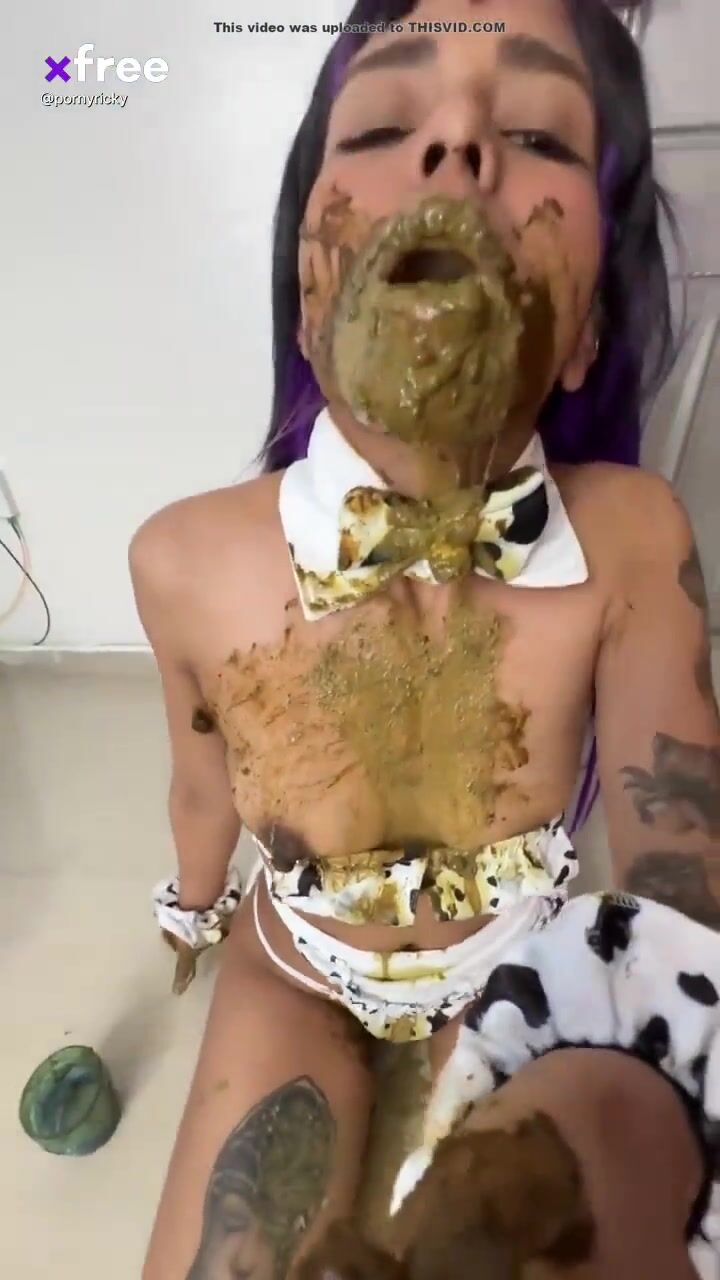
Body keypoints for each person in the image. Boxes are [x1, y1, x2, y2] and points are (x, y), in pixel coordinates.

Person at [130, 1, 720, 1276]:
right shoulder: (181, 556)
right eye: (385, 123)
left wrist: (636, 1117)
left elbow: (686, 874)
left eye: (538, 134)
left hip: (513, 967)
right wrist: (189, 910)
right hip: (294, 964)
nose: (456, 139)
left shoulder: (632, 539)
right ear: (308, 287)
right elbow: (199, 783)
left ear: (589, 330)